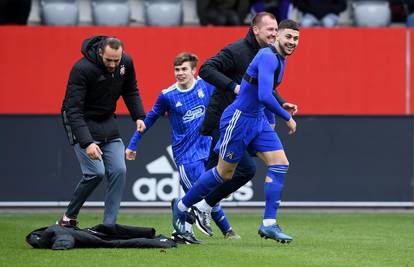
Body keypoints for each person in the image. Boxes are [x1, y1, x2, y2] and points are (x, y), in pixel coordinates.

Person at [172, 19, 301, 243]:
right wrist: (286, 116)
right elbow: (262, 95)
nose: (292, 42)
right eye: (288, 36)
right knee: (225, 173)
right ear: (278, 36)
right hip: (239, 119)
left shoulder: (278, 58)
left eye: (296, 38)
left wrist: (272, 117)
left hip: (258, 120)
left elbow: (264, 91)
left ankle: (269, 224)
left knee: (280, 163)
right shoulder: (268, 56)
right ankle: (182, 206)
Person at [125, 52, 240, 243]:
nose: (180, 73)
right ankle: (224, 231)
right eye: (177, 69)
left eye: (184, 69)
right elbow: (150, 118)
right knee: (200, 194)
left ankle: (189, 231)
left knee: (207, 193)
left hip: (208, 149)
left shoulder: (206, 85)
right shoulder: (167, 95)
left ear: (194, 70)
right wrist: (133, 143)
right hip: (186, 155)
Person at [58, 36, 146, 226]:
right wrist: (88, 142)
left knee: (119, 170)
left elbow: (130, 90)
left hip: (106, 120)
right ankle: (69, 217)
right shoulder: (81, 69)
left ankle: (109, 225)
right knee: (95, 173)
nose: (113, 65)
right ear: (100, 53)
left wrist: (138, 116)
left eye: (117, 60)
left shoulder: (126, 62)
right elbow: (73, 110)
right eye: (109, 60)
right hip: (81, 121)